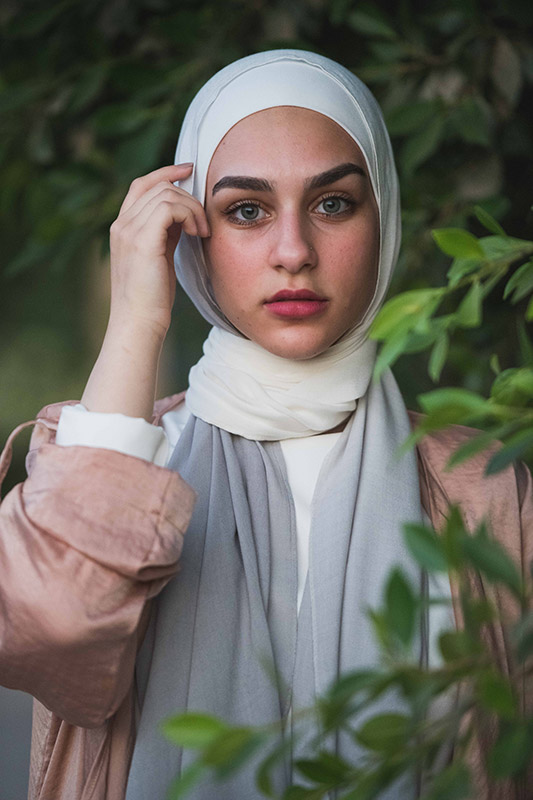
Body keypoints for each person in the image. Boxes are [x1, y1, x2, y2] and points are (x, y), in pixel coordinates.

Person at [0, 50, 530, 800]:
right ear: (193, 235)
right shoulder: (130, 460)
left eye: (333, 204)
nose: (293, 253)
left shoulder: (481, 487)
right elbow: (45, 635)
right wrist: (136, 322)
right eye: (246, 210)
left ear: (384, 220)